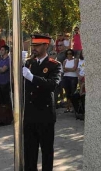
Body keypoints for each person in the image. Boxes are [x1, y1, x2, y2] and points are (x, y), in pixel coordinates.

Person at [22, 34, 62, 171]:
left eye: (38, 46)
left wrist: (32, 77)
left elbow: (52, 85)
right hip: (29, 114)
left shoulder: (54, 65)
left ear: (46, 45)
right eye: (33, 46)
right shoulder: (29, 63)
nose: (34, 49)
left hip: (45, 115)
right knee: (29, 153)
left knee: (46, 152)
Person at [61, 49, 78, 113]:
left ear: (72, 54)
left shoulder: (75, 60)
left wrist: (67, 69)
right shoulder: (65, 61)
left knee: (73, 93)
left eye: (70, 53)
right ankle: (67, 107)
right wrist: (70, 69)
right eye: (68, 54)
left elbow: (74, 69)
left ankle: (73, 107)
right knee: (67, 93)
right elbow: (63, 70)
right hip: (66, 77)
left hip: (73, 77)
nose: (69, 55)